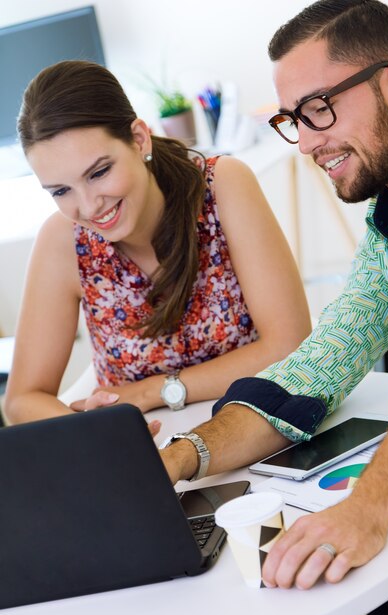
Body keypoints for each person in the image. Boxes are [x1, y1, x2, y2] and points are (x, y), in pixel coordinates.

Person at [158, 0, 388, 615]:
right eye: (292, 120)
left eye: (318, 109)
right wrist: (181, 456)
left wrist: (366, 511)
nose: (306, 143)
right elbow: (318, 366)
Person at [3, 60, 311, 424]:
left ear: (139, 139)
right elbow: (22, 400)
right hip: (145, 455)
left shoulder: (222, 186)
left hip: (254, 424)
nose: (88, 206)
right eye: (61, 190)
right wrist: (98, 434)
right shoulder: (63, 240)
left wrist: (154, 391)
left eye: (99, 172)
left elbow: (289, 344)